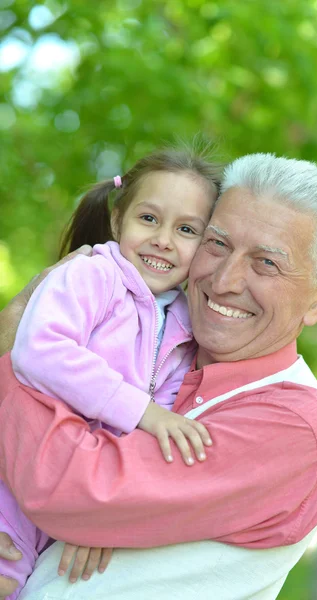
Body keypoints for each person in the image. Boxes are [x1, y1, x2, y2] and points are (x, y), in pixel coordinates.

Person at [0, 153, 317, 600]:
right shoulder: (161, 345)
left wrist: (13, 348)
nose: (224, 280)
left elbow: (73, 491)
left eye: (266, 263)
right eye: (217, 244)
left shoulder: (295, 425)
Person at [0, 146, 221, 598]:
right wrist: (143, 410)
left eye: (186, 229)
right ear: (118, 220)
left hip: (77, 490)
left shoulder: (184, 323)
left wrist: (104, 513)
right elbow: (40, 350)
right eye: (149, 219)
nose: (163, 239)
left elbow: (160, 423)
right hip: (13, 476)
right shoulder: (92, 275)